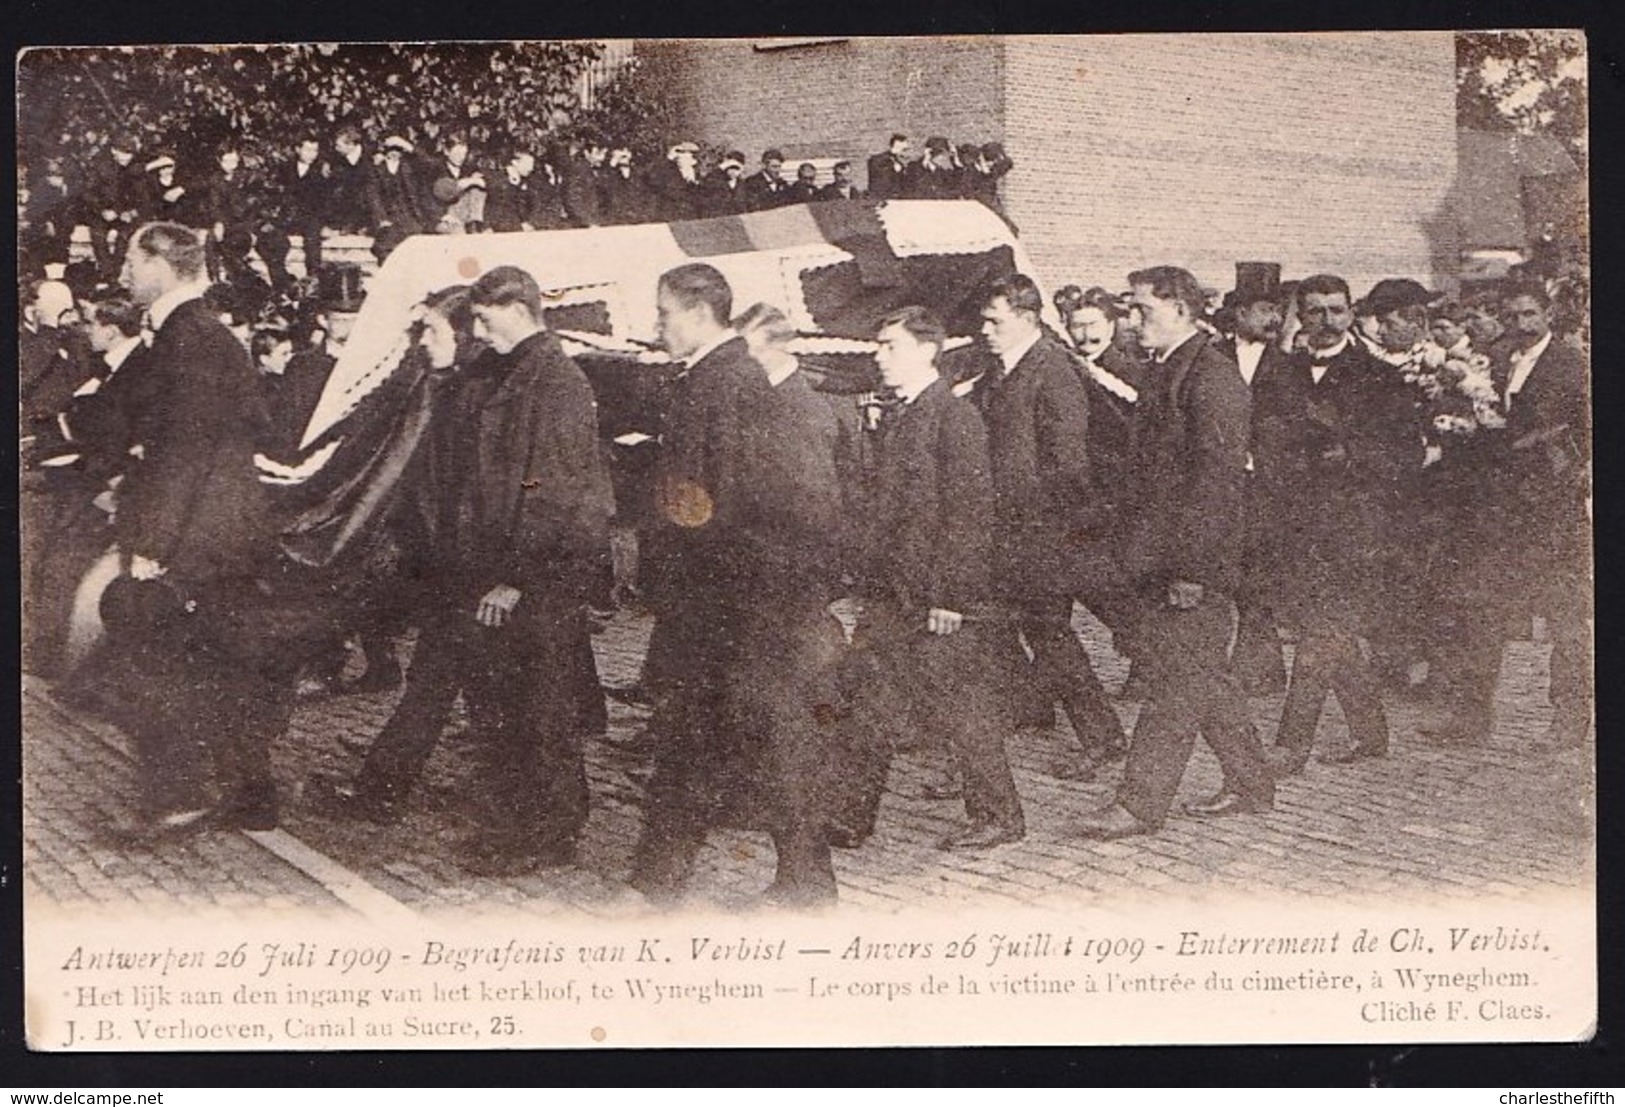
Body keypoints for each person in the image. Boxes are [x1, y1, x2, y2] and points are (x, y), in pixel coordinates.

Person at [1075, 266, 1276, 839]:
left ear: (1184, 309)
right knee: (1198, 675)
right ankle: (1251, 781)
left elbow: (1217, 486)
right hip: (1163, 556)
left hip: (1192, 564)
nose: (1134, 322)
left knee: (1173, 683)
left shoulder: (1210, 379)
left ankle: (1139, 804)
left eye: (1144, 310)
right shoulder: (1171, 371)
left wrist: (1192, 570)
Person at [107, 222, 293, 837]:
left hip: (195, 539)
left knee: (158, 662)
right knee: (216, 664)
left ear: (162, 263)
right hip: (218, 533)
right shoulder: (200, 336)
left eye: (131, 261)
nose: (122, 274)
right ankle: (248, 793)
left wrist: (156, 548)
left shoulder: (191, 339)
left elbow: (184, 452)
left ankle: (179, 794)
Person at [840, 306, 1026, 851]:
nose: (880, 356)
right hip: (891, 593)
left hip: (933, 598)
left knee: (959, 707)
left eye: (890, 346)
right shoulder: (899, 414)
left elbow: (970, 513)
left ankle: (999, 815)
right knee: (868, 702)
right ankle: (849, 815)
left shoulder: (954, 417)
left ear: (927, 350)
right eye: (879, 345)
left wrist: (952, 596)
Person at [628, 263, 784, 903]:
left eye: (664, 314)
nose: (657, 326)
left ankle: (656, 878)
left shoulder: (726, 381)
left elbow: (727, 495)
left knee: (692, 730)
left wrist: (678, 558)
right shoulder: (711, 377)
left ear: (696, 312)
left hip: (711, 589)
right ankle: (802, 868)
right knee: (715, 728)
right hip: (705, 587)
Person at [1251, 274, 1416, 773]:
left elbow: (1406, 453)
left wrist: (1351, 453)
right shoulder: (1280, 372)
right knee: (1329, 630)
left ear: (1352, 314)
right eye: (1316, 310)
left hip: (1353, 529)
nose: (1327, 320)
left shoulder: (1380, 376)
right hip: (1295, 524)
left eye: (1337, 310)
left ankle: (1291, 745)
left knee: (1320, 633)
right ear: (1300, 315)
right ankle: (1371, 733)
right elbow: (1258, 435)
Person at [968, 274, 1125, 779]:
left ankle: (1101, 737)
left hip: (1040, 533)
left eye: (995, 319)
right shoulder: (1002, 371)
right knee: (1033, 632)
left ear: (1027, 317)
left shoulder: (1052, 372)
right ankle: (1050, 719)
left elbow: (1067, 466)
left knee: (1047, 633)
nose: (985, 329)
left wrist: (1044, 532)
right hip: (1008, 531)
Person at [1427, 281, 1590, 748]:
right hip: (1497, 509)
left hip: (1551, 512)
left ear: (1547, 314)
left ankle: (1568, 719)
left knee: (1566, 618)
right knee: (1483, 611)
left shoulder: (1571, 365)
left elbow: (1583, 431)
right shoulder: (1491, 361)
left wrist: (1553, 460)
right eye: (1512, 316)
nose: (1521, 325)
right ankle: (1471, 717)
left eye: (1529, 315)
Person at [367, 135, 432, 261]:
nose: (394, 153)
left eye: (398, 149)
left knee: (416, 247)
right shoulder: (376, 169)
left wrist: (407, 145)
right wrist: (381, 219)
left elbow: (429, 163)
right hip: (388, 218)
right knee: (385, 247)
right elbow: (374, 197)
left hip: (410, 217)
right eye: (390, 149)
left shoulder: (409, 167)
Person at [700, 151, 750, 216]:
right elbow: (706, 182)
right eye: (730, 168)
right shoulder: (716, 182)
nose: (733, 172)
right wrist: (722, 166)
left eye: (736, 169)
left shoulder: (743, 184)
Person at [866, 133, 912, 200]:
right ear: (897, 147)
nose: (907, 153)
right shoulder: (878, 160)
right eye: (904, 150)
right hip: (882, 199)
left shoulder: (898, 163)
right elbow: (879, 181)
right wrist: (892, 170)